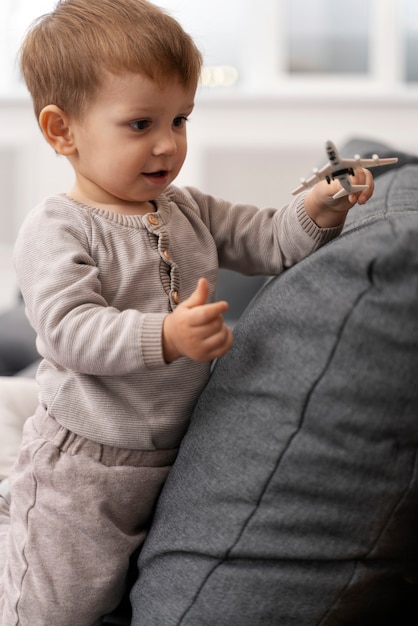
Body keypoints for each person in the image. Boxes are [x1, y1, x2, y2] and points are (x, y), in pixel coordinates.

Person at [0, 0, 374, 624]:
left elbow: (270, 239)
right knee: (52, 607)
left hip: (163, 456)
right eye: (140, 124)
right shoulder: (56, 227)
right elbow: (69, 332)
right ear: (62, 131)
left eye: (180, 119)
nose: (168, 145)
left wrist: (322, 206)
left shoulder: (187, 207)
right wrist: (167, 335)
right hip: (85, 467)